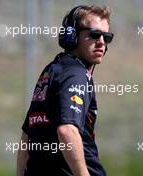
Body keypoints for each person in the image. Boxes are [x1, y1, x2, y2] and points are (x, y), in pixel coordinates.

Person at [17, 5, 114, 176]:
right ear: (72, 36)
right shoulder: (76, 74)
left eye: (107, 37)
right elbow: (67, 130)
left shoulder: (51, 71)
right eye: (94, 34)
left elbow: (27, 135)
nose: (101, 42)